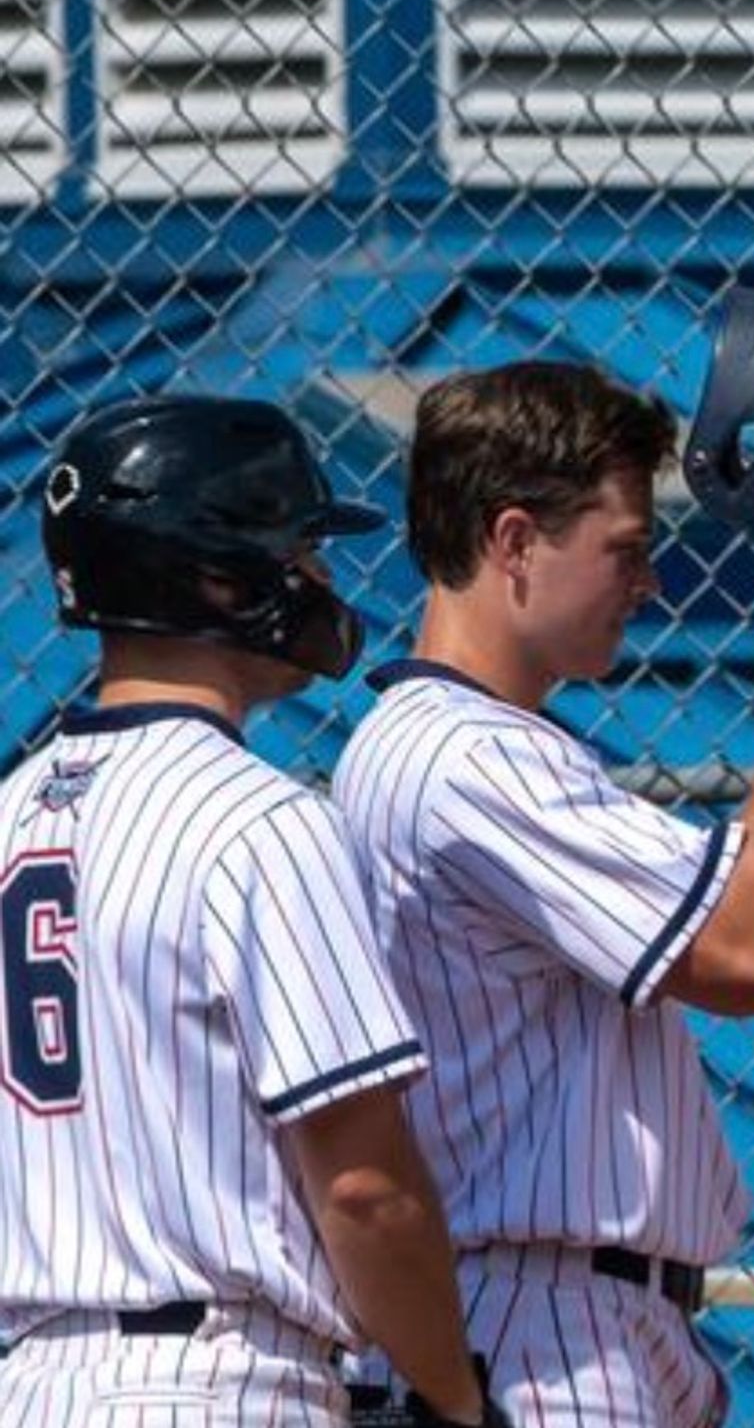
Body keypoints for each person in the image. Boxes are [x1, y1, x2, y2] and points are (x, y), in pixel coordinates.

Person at [333, 361, 754, 1425]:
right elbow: (750, 951)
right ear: (512, 543)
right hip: (535, 1325)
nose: (650, 584)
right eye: (623, 549)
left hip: (564, 1311)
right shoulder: (463, 758)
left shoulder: (460, 746)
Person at [0, 397, 502, 1427]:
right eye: (300, 553)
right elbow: (363, 1185)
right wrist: (455, 1398)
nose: (318, 581)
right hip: (221, 1381)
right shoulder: (260, 822)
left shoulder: (8, 816)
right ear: (218, 577)